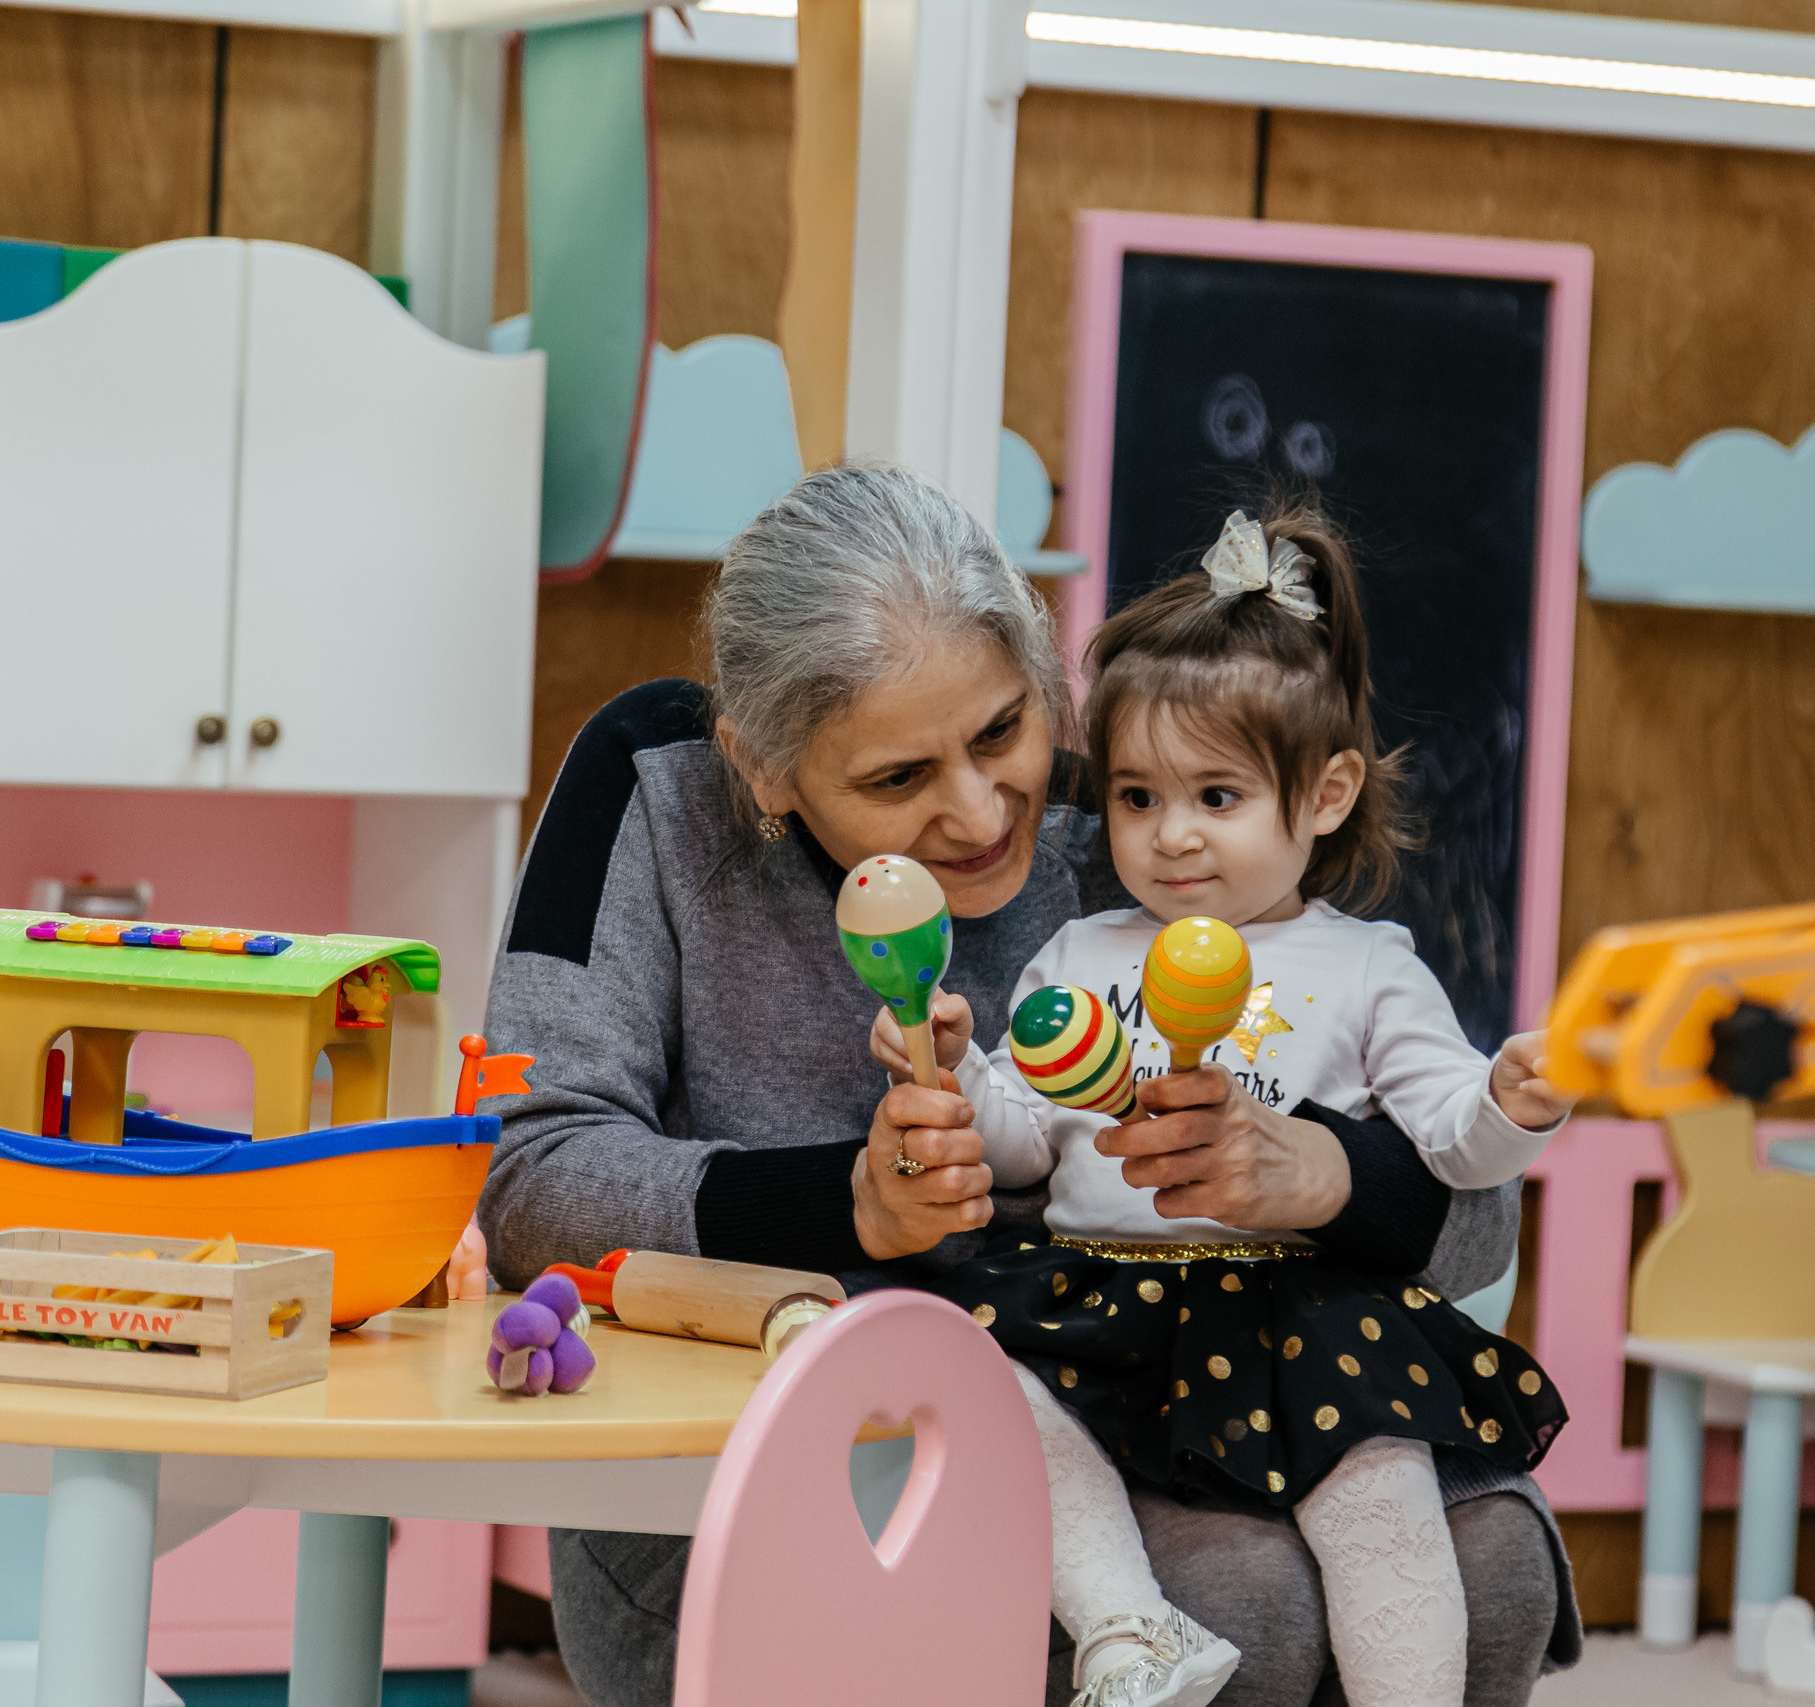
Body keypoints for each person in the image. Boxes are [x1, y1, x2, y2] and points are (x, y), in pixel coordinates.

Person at [475, 462, 1582, 1707]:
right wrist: (847, 1204)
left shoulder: (1135, 810)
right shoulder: (651, 787)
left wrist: (1324, 1172)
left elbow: (1476, 1212)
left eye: (1004, 730)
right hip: (771, 1451)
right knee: (1246, 1609)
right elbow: (529, 1179)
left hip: (1159, 1396)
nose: (980, 810)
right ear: (766, 770)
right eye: (896, 781)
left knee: (1495, 1567)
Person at [870, 507, 1571, 1707]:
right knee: (994, 1398)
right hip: (1100, 1292)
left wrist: (1512, 1100)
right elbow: (1027, 1143)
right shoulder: (1081, 952)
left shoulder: (1366, 967)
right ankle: (1129, 1631)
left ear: (1328, 792)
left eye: (1218, 795)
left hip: (1300, 1309)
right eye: (1137, 797)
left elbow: (1455, 1142)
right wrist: (951, 1073)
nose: (1170, 836)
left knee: (1382, 1497)